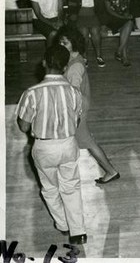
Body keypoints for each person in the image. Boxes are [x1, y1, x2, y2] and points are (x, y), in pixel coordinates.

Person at [15, 45, 87, 245]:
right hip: (68, 143)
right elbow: (77, 121)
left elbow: (23, 126)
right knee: (71, 186)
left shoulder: (31, 92)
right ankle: (78, 231)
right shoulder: (74, 92)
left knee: (49, 187)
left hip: (43, 147)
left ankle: (63, 224)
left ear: (44, 62)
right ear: (65, 67)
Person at [58, 26, 120, 184]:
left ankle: (111, 171)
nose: (61, 45)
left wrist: (74, 115)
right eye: (60, 42)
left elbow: (74, 92)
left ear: (74, 43)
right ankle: (110, 171)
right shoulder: (74, 58)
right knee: (85, 141)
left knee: (86, 142)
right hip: (78, 105)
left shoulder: (75, 66)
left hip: (76, 108)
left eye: (65, 43)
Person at [67, 0, 107, 67]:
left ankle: (99, 56)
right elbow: (72, 9)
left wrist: (103, 24)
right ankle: (84, 57)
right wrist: (73, 19)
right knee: (84, 33)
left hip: (94, 15)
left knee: (95, 32)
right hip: (80, 16)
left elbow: (102, 9)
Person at [101, 0, 135, 66]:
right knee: (127, 24)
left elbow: (133, 5)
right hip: (112, 17)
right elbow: (108, 9)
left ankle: (120, 52)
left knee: (128, 24)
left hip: (125, 17)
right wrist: (121, 17)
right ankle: (123, 55)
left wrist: (127, 13)